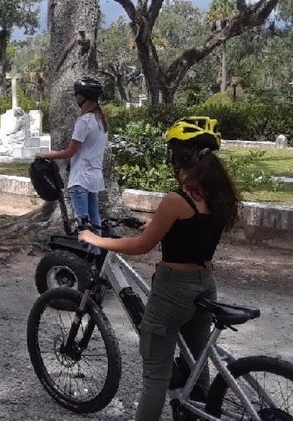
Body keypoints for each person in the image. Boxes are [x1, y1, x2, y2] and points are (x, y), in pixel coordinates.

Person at [78, 117, 241, 421]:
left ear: (183, 157)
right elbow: (192, 232)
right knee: (196, 364)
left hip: (174, 288)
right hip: (205, 283)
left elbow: (141, 246)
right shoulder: (219, 196)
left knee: (155, 376)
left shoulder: (176, 200)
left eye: (172, 153)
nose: (170, 159)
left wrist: (97, 239)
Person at [36, 76, 108, 231]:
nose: (76, 98)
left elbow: (70, 152)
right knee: (95, 220)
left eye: (77, 95)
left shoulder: (85, 121)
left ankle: (87, 253)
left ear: (81, 97)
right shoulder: (100, 120)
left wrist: (45, 155)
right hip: (94, 177)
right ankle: (97, 252)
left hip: (80, 179)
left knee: (83, 223)